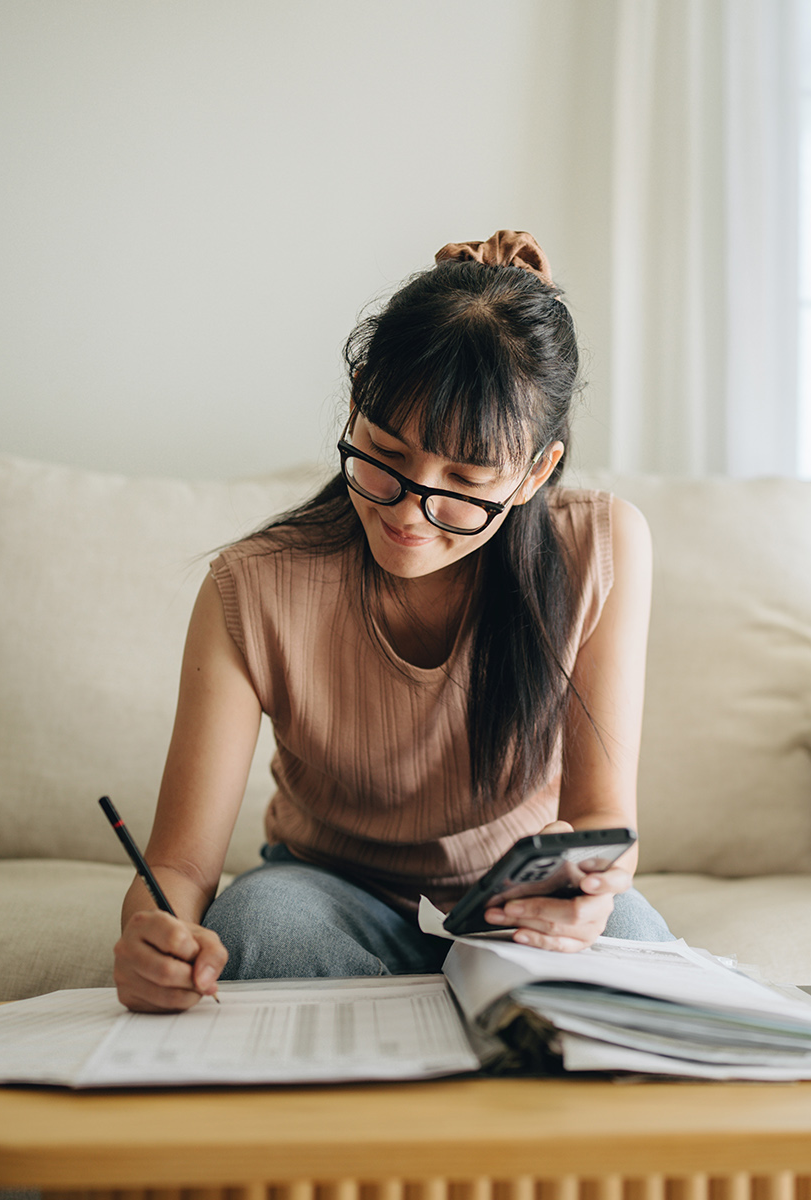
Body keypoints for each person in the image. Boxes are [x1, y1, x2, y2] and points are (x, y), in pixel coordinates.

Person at [113, 230, 672, 1013]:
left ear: (534, 473)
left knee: (640, 957)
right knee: (257, 929)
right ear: (355, 399)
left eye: (465, 481)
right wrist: (153, 927)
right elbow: (178, 866)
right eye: (383, 454)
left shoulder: (599, 546)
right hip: (326, 889)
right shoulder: (252, 586)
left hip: (515, 898)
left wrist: (590, 891)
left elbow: (601, 819)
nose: (411, 512)